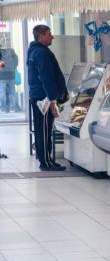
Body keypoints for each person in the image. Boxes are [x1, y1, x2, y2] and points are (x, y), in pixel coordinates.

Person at [27, 25, 68, 171]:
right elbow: (46, 77)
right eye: (49, 34)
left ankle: (47, 159)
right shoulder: (41, 53)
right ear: (41, 36)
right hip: (43, 98)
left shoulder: (35, 51)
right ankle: (45, 162)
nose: (52, 36)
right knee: (44, 130)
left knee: (43, 129)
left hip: (39, 96)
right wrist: (52, 100)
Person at [0, 47, 20, 113]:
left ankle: (3, 108)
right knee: (12, 92)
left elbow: (1, 66)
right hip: (11, 75)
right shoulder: (12, 53)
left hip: (2, 76)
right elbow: (16, 63)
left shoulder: (1, 54)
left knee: (2, 93)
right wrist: (12, 67)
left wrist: (3, 68)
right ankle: (13, 108)